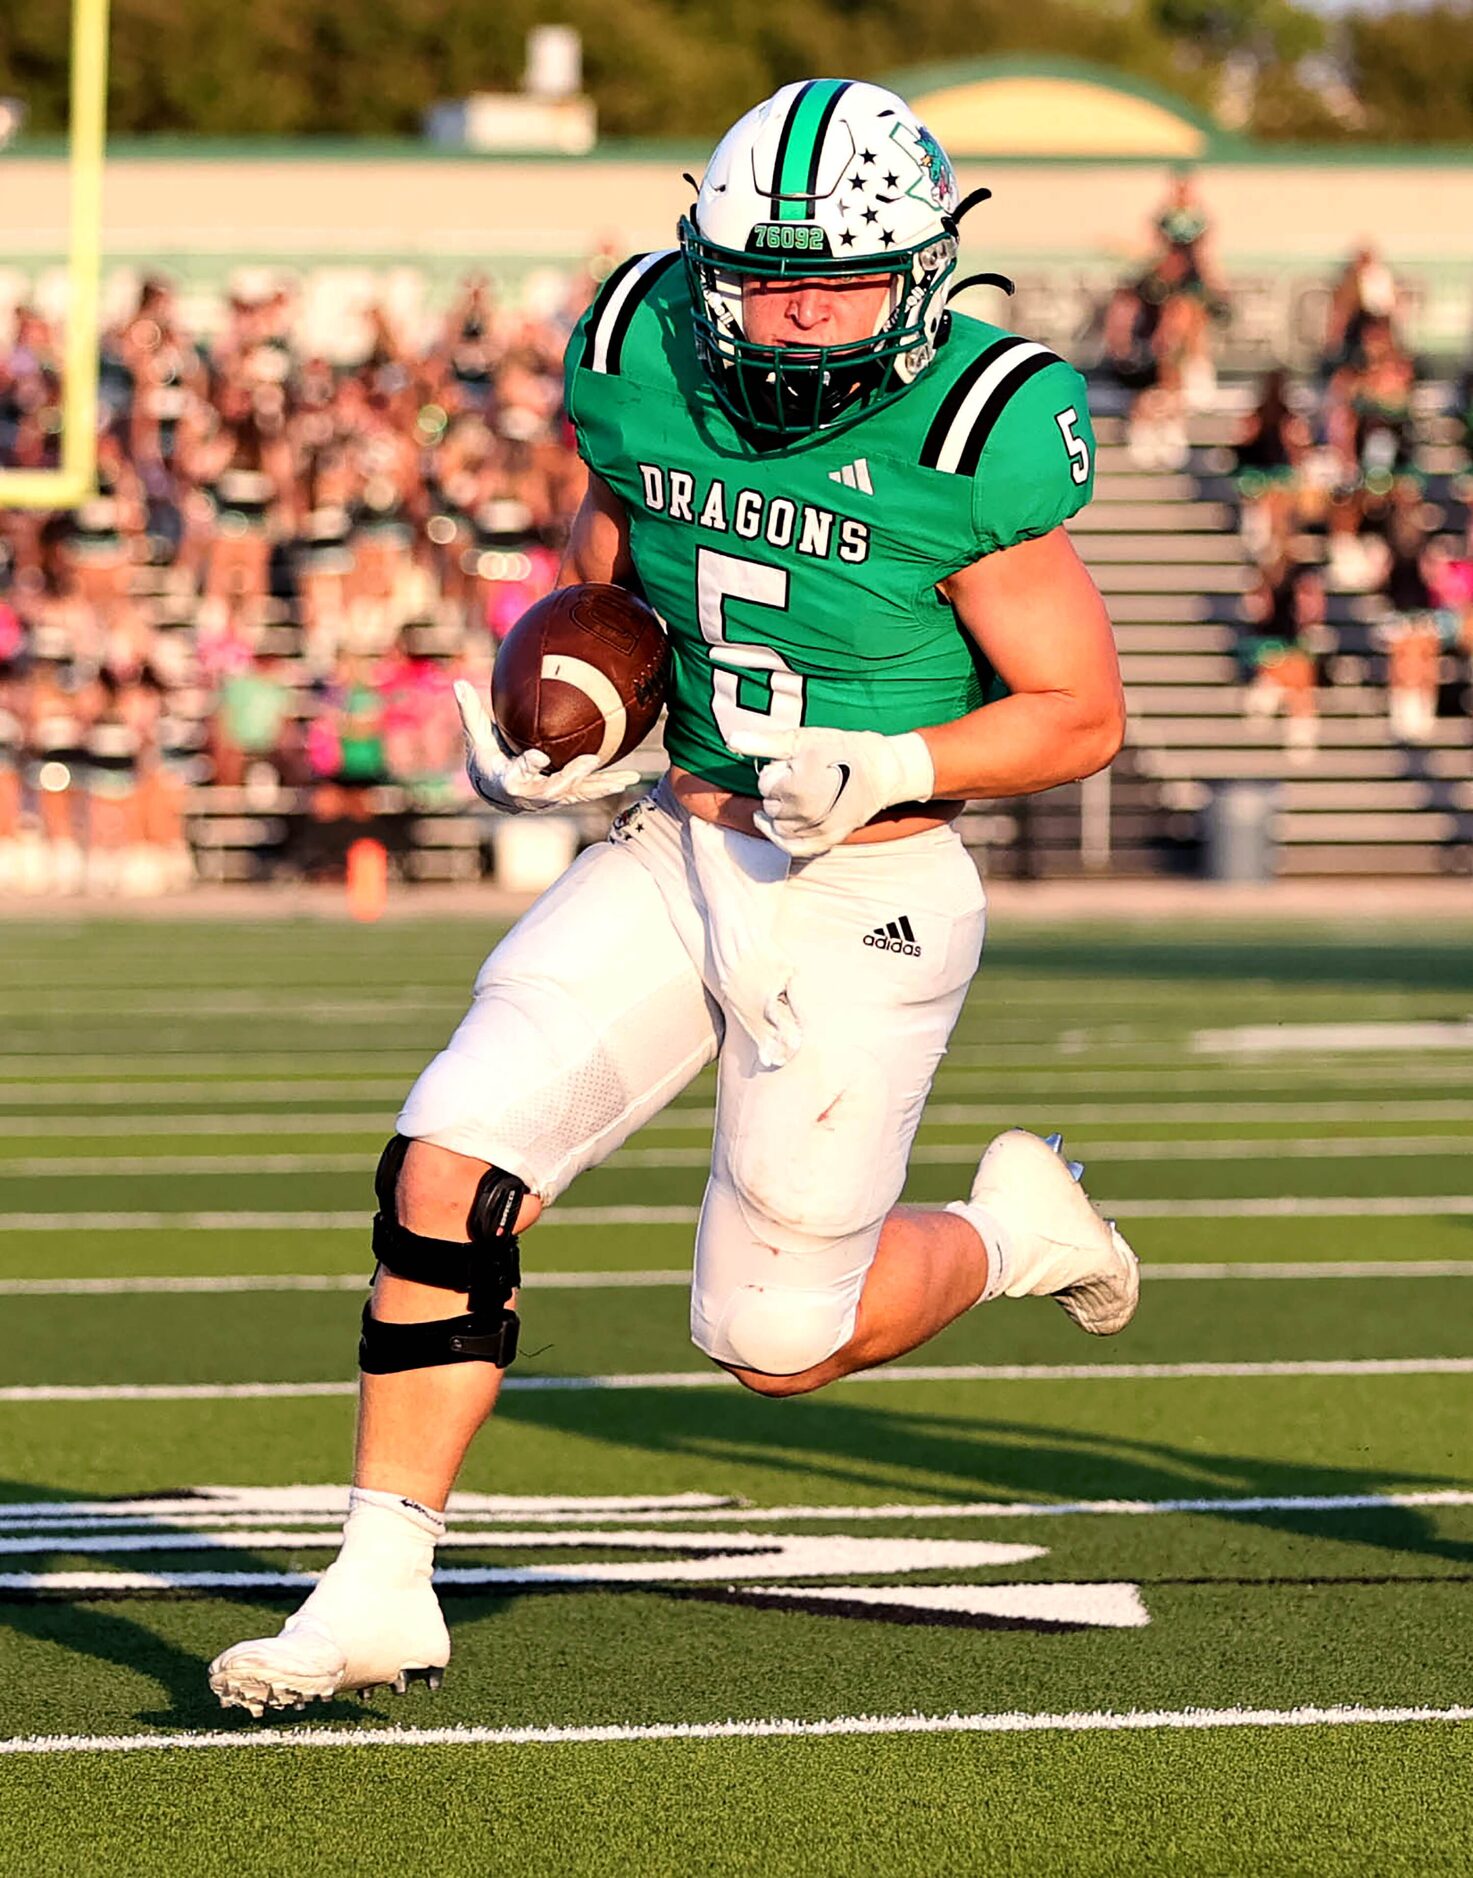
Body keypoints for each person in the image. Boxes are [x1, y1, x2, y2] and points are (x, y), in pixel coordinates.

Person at [208, 78, 1138, 1716]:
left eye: (836, 277)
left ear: (920, 271)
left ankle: (1008, 1230)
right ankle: (375, 1583)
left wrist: (901, 762)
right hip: (675, 842)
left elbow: (1079, 711)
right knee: (449, 1159)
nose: (793, 313)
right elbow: (612, 559)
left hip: (865, 891)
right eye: (763, 273)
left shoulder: (971, 425)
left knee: (773, 1340)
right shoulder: (644, 341)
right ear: (701, 252)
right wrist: (567, 722)